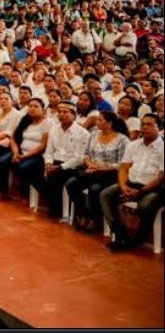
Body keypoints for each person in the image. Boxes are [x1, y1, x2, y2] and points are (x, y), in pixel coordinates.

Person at [99, 114, 164, 251]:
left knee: (145, 205)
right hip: (131, 183)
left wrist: (140, 192)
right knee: (106, 194)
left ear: (160, 128)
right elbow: (123, 168)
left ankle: (137, 240)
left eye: (150, 124)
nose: (145, 127)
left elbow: (161, 177)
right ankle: (122, 236)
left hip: (154, 188)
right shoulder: (133, 145)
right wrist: (123, 186)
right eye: (143, 124)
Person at [64, 111, 129, 233]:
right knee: (71, 183)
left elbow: (123, 163)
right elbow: (85, 154)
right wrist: (91, 165)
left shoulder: (122, 140)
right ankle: (83, 214)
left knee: (95, 189)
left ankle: (95, 219)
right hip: (91, 171)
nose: (97, 122)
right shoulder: (93, 135)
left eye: (100, 120)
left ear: (109, 123)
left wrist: (101, 168)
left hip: (110, 174)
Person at [40, 101, 89, 218]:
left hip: (72, 165)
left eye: (65, 112)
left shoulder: (82, 133)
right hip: (55, 162)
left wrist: (60, 167)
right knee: (39, 174)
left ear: (73, 115)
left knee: (56, 178)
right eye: (59, 112)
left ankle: (62, 212)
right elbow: (49, 151)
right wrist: (48, 163)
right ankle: (54, 208)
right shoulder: (54, 129)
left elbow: (79, 158)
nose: (61, 114)